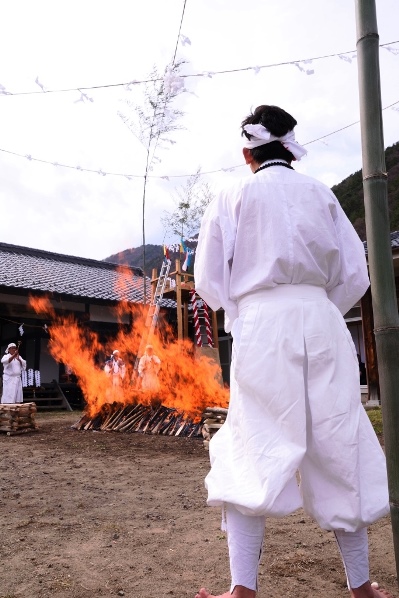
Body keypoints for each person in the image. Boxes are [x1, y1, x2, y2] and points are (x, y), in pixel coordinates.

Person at [193, 105, 391, 598]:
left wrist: (245, 311)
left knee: (252, 440)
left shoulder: (232, 193)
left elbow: (209, 280)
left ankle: (243, 588)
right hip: (322, 320)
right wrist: (319, 308)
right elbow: (355, 274)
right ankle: (361, 585)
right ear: (289, 147)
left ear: (248, 152)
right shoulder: (321, 193)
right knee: (339, 437)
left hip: (263, 323)